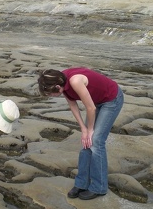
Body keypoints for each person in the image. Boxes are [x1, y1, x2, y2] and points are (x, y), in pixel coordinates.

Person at [38, 68, 124, 200]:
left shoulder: (74, 81)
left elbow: (91, 108)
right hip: (96, 101)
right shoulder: (60, 79)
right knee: (86, 142)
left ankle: (99, 187)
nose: (50, 96)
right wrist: (83, 130)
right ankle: (81, 183)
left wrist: (90, 130)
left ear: (57, 87)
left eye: (50, 94)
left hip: (111, 99)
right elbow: (73, 105)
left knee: (95, 141)